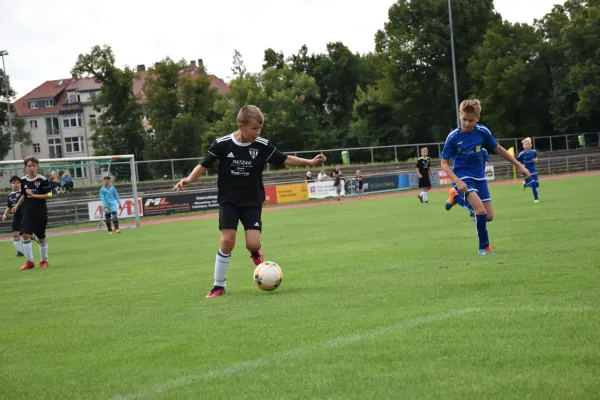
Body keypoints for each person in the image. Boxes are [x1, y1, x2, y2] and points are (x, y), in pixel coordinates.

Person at [173, 105, 326, 299]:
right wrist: (188, 179)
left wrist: (310, 163)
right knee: (227, 241)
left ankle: (255, 252)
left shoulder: (262, 145)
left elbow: (285, 158)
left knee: (252, 243)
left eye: (260, 129)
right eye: (254, 129)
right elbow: (203, 165)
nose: (257, 133)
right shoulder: (222, 144)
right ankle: (218, 286)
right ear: (240, 126)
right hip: (229, 200)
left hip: (252, 200)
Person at [441, 99, 530, 255]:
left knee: (488, 216)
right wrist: (457, 180)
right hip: (463, 177)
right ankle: (484, 247)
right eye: (464, 119)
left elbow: (499, 149)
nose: (467, 123)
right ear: (459, 116)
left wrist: (519, 165)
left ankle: (456, 198)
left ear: (477, 119)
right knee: (480, 211)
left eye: (471, 120)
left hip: (480, 178)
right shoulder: (453, 137)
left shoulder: (482, 131)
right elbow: (444, 163)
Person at [11, 156, 53, 269]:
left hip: (40, 212)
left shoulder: (43, 180)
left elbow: (49, 195)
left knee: (41, 238)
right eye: (29, 166)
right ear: (25, 168)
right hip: (28, 212)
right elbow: (24, 195)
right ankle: (30, 261)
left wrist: (34, 195)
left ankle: (44, 260)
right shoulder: (23, 180)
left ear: (37, 167)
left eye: (34, 166)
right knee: (25, 234)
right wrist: (16, 205)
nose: (31, 168)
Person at [2, 176, 24, 257]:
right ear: (11, 184)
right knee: (15, 233)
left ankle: (39, 240)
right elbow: (9, 206)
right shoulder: (10, 195)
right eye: (14, 183)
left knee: (27, 234)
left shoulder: (23, 192)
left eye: (18, 183)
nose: (16, 184)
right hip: (16, 216)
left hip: (25, 215)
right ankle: (19, 252)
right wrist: (5, 214)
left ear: (20, 184)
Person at [517, 137, 539, 202]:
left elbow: (535, 159)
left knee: (537, 184)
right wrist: (521, 167)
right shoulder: (521, 154)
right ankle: (536, 199)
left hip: (533, 170)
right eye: (526, 144)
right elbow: (518, 162)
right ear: (523, 146)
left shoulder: (534, 152)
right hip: (526, 172)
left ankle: (526, 184)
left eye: (529, 144)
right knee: (534, 185)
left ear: (531, 145)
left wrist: (535, 160)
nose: (527, 145)